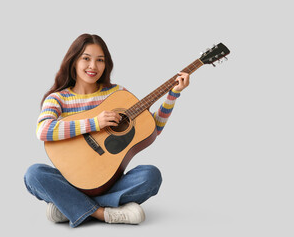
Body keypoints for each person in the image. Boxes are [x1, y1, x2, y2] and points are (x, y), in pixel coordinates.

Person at [24, 33, 190, 228]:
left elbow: (151, 129)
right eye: (86, 58)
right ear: (73, 61)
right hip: (69, 180)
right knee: (34, 174)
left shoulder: (117, 93)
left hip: (110, 182)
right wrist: (95, 122)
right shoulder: (57, 98)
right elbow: (43, 130)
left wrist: (172, 96)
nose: (93, 66)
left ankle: (68, 206)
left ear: (106, 64)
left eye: (100, 60)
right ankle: (103, 213)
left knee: (151, 175)